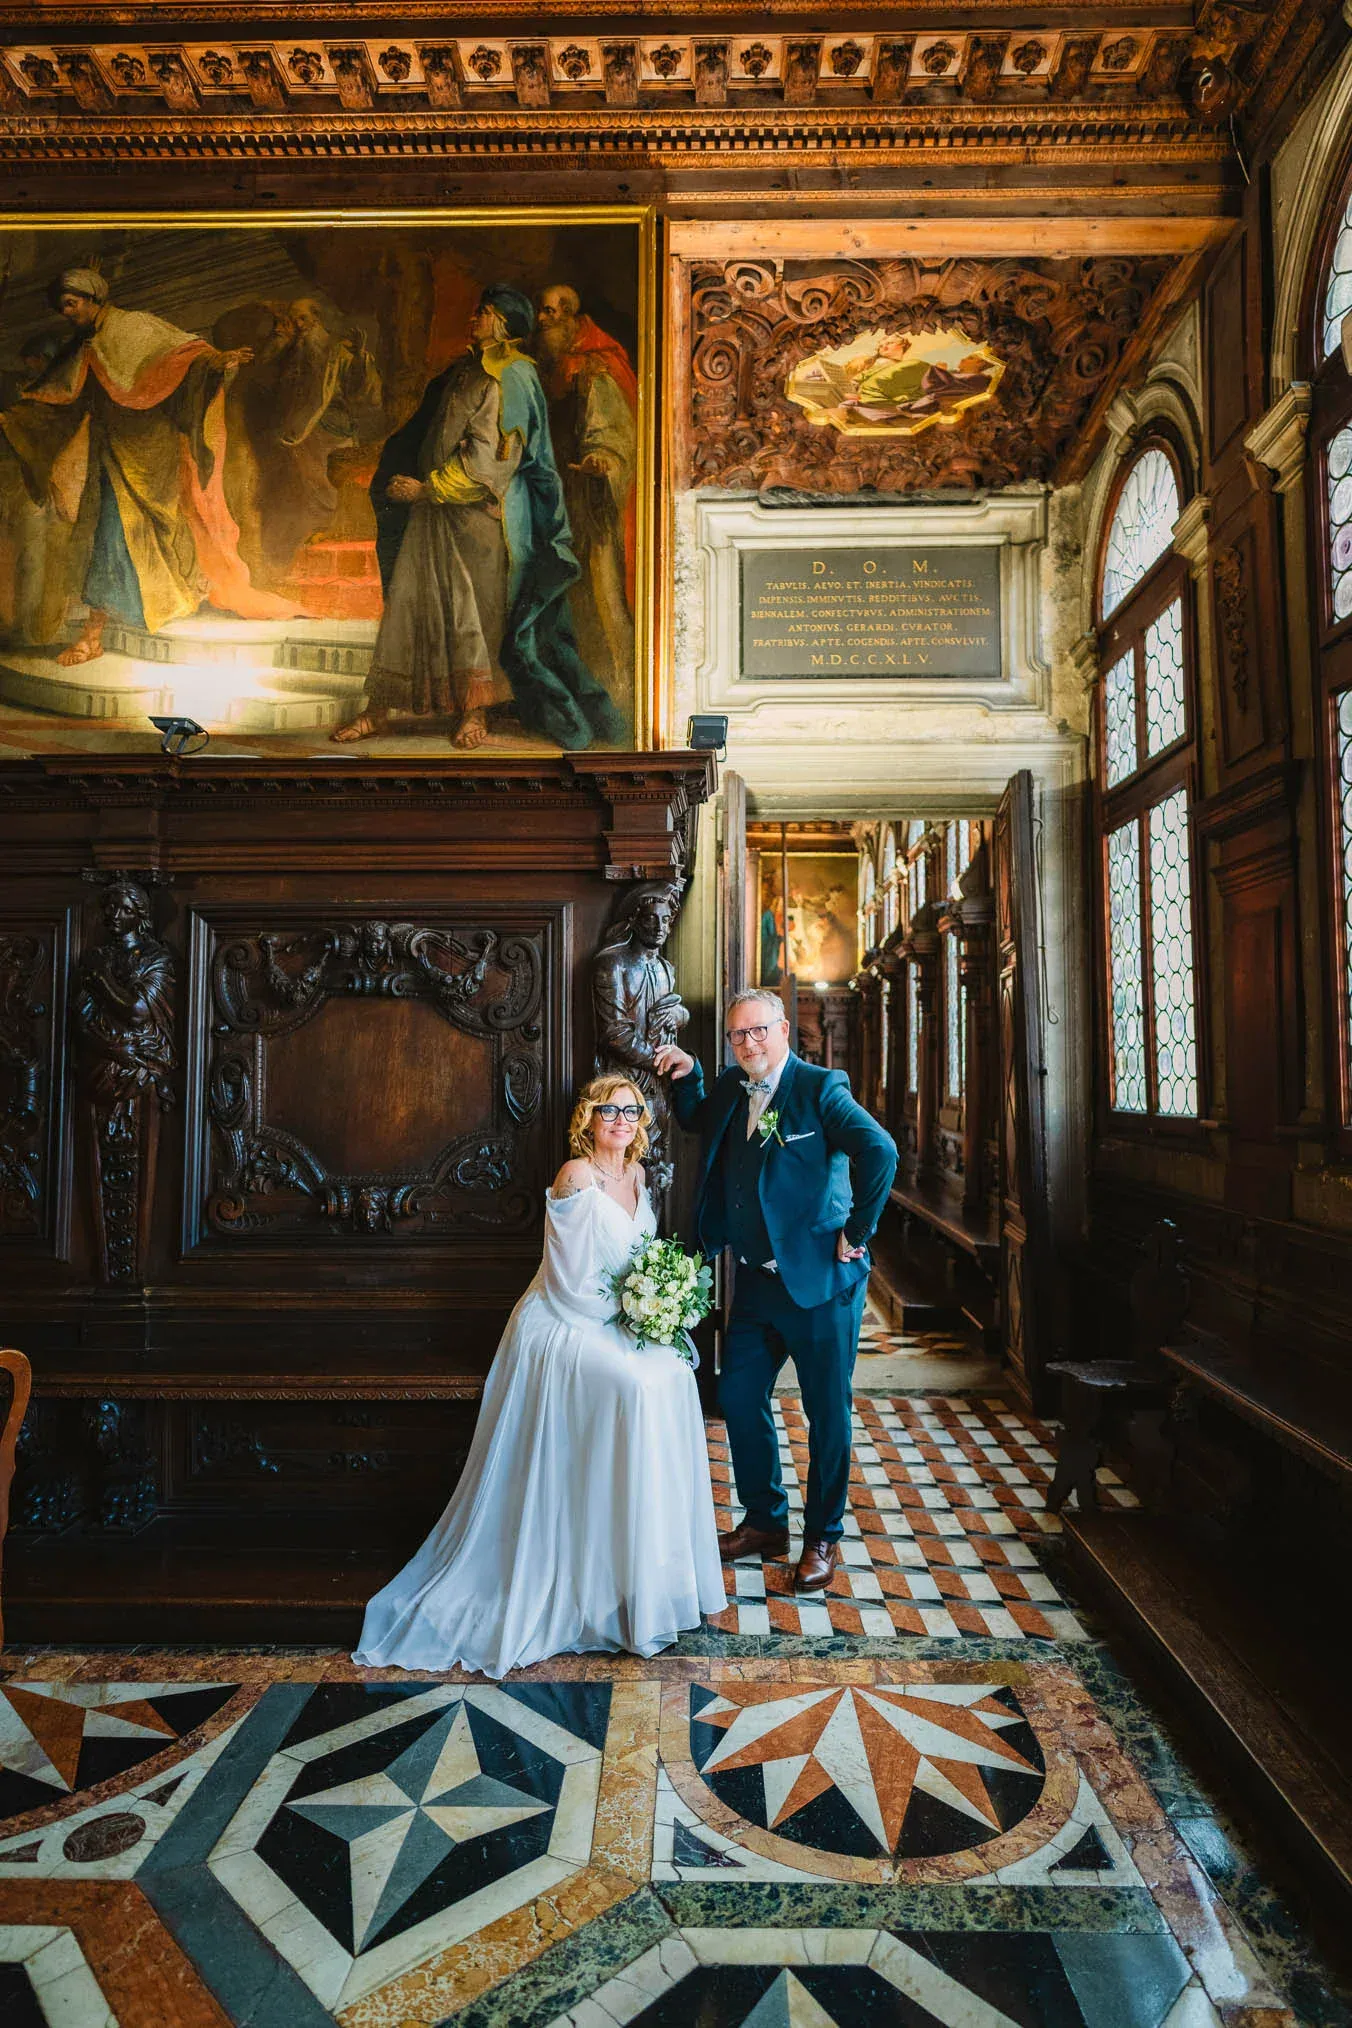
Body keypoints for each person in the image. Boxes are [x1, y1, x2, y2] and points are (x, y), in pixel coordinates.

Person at [355, 1074, 725, 1676]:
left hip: (622, 1320)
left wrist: (658, 1310)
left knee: (676, 1376)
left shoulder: (637, 1176)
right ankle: (593, 1578)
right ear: (589, 1118)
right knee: (634, 1384)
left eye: (632, 1111)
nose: (621, 1120)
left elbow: (641, 1260)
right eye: (609, 1110)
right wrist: (637, 1315)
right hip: (566, 1323)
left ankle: (644, 1577)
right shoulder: (575, 1175)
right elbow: (571, 1283)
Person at [656, 990, 898, 1594]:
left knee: (826, 1415)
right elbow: (694, 1119)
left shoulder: (821, 1089)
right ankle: (765, 1521)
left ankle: (822, 1537)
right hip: (755, 1284)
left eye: (758, 1031)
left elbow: (880, 1150)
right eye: (738, 1036)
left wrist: (858, 1231)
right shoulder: (734, 1089)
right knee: (737, 1395)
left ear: (783, 1029)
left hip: (821, 1286)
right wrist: (692, 1074)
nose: (749, 1044)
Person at [332, 284, 623, 753]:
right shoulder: (467, 371)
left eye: (483, 313)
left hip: (481, 518)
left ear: (504, 324)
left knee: (475, 617)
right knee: (409, 609)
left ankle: (475, 712)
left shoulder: (514, 376)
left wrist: (428, 489)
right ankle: (378, 709)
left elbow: (494, 460)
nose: (474, 319)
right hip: (434, 515)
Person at [0, 266, 293, 663]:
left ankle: (117, 623)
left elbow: (187, 353)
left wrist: (217, 361)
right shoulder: (85, 343)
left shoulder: (136, 326)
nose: (67, 312)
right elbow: (63, 393)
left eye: (72, 304)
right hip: (110, 449)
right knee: (106, 532)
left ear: (92, 297)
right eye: (62, 307)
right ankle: (94, 633)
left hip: (149, 446)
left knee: (148, 526)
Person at [535, 284, 637, 708]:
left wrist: (602, 458)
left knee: (599, 596)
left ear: (570, 315)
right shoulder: (550, 367)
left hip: (589, 501)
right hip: (556, 499)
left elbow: (617, 435)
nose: (541, 320)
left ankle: (616, 693)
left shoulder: (596, 368)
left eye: (548, 312)